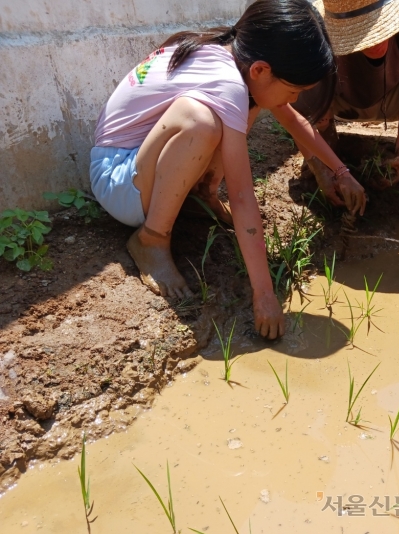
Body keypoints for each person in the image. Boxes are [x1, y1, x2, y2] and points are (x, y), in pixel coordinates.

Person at [90, 0, 352, 339]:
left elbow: (292, 119)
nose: (294, 98)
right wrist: (265, 294)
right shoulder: (228, 83)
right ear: (261, 69)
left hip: (139, 170)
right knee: (201, 121)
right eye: (293, 90)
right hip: (118, 182)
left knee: (239, 110)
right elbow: (243, 197)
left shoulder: (233, 51)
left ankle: (203, 196)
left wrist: (342, 171)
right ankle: (151, 239)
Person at [292, 0, 399, 206]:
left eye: (380, 26)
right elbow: (295, 110)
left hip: (395, 98)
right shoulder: (312, 30)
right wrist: (321, 167)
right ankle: (329, 146)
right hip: (342, 100)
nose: (375, 41)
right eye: (362, 32)